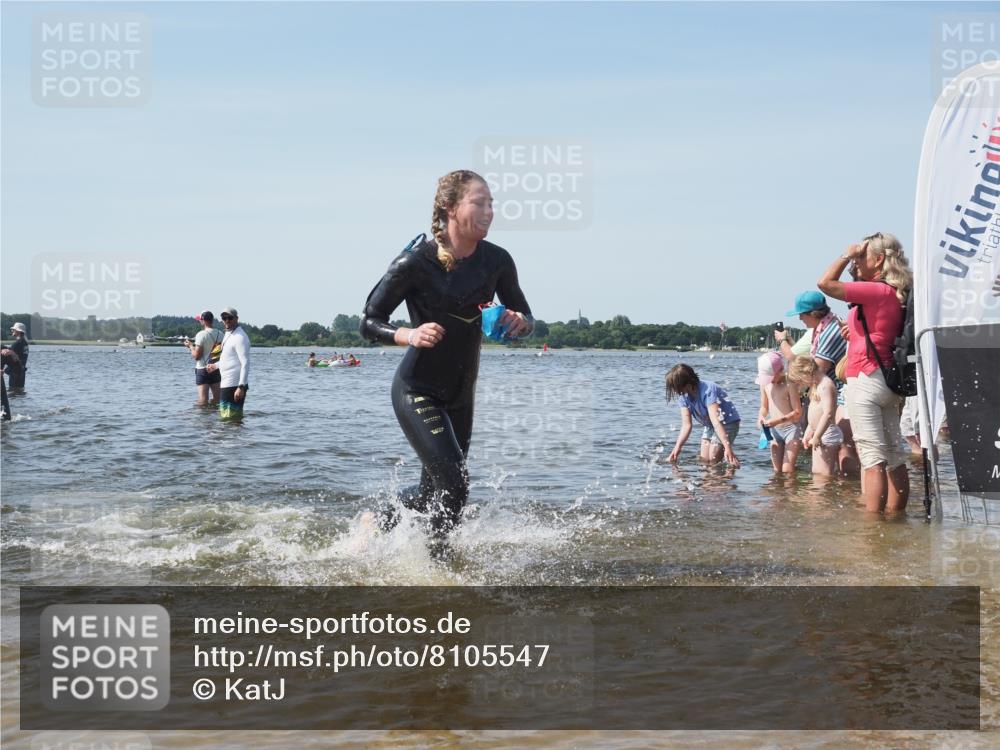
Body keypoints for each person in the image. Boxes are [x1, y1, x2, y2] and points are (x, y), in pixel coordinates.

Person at [360, 169, 533, 542]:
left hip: (460, 394)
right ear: (451, 208)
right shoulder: (415, 263)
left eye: (492, 204)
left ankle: (378, 520)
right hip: (417, 389)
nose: (489, 211)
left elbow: (526, 316)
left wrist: (520, 322)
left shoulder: (497, 260)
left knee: (432, 493)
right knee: (455, 483)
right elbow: (369, 321)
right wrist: (409, 334)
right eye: (479, 203)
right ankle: (439, 567)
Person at [818, 232, 912, 513]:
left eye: (863, 256)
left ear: (879, 259)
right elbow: (879, 333)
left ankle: (872, 533)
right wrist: (854, 335)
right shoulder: (894, 292)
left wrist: (846, 254)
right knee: (894, 455)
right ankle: (896, 521)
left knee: (872, 458)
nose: (857, 261)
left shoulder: (877, 290)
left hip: (866, 378)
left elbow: (825, 284)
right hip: (886, 380)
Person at [775, 291, 858, 475]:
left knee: (846, 445)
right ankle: (844, 489)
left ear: (813, 314)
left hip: (842, 393)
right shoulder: (824, 327)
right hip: (835, 394)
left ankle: (849, 485)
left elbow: (817, 368)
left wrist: (816, 432)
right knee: (842, 446)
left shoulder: (829, 332)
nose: (800, 319)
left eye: (801, 315)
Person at [666, 363, 741, 467]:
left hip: (727, 423)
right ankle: (715, 479)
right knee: (705, 460)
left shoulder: (708, 390)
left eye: (676, 387)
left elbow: (716, 421)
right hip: (710, 425)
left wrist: (727, 447)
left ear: (687, 384)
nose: (675, 391)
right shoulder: (683, 396)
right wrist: (677, 448)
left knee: (713, 458)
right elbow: (686, 425)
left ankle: (731, 465)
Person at [788, 355, 844, 475]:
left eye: (801, 381)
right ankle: (824, 492)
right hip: (819, 431)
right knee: (817, 472)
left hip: (827, 433)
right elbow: (815, 413)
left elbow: (828, 414)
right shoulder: (816, 386)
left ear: (807, 372)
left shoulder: (825, 386)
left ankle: (824, 493)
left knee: (822, 475)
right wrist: (810, 431)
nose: (801, 385)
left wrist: (817, 436)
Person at [755, 352, 802, 473]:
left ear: (780, 370)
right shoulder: (765, 385)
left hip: (792, 429)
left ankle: (791, 490)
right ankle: (778, 491)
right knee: (777, 470)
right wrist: (761, 418)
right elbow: (764, 407)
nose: (769, 381)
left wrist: (777, 421)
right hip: (774, 430)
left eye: (771, 377)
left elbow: (797, 412)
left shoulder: (789, 384)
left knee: (787, 470)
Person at [206, 307, 250, 419]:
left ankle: (236, 437)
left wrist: (241, 387)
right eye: (224, 318)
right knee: (226, 418)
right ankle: (231, 437)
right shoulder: (228, 334)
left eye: (229, 317)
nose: (227, 320)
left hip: (235, 385)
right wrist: (216, 366)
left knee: (232, 419)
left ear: (236, 318)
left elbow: (245, 363)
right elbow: (228, 358)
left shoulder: (240, 337)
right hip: (226, 384)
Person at [184, 311, 224, 406]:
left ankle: (203, 418)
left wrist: (190, 346)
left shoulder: (201, 334)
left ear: (203, 321)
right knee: (217, 399)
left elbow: (196, 356)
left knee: (203, 400)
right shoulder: (221, 334)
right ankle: (213, 417)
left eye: (200, 320)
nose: (199, 322)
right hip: (215, 368)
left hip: (202, 369)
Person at [7, 322, 28, 392]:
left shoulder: (16, 344)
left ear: (18, 331)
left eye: (14, 329)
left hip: (15, 372)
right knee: (20, 392)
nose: (12, 331)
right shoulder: (25, 343)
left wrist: (5, 370)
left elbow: (11, 359)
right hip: (22, 371)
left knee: (12, 392)